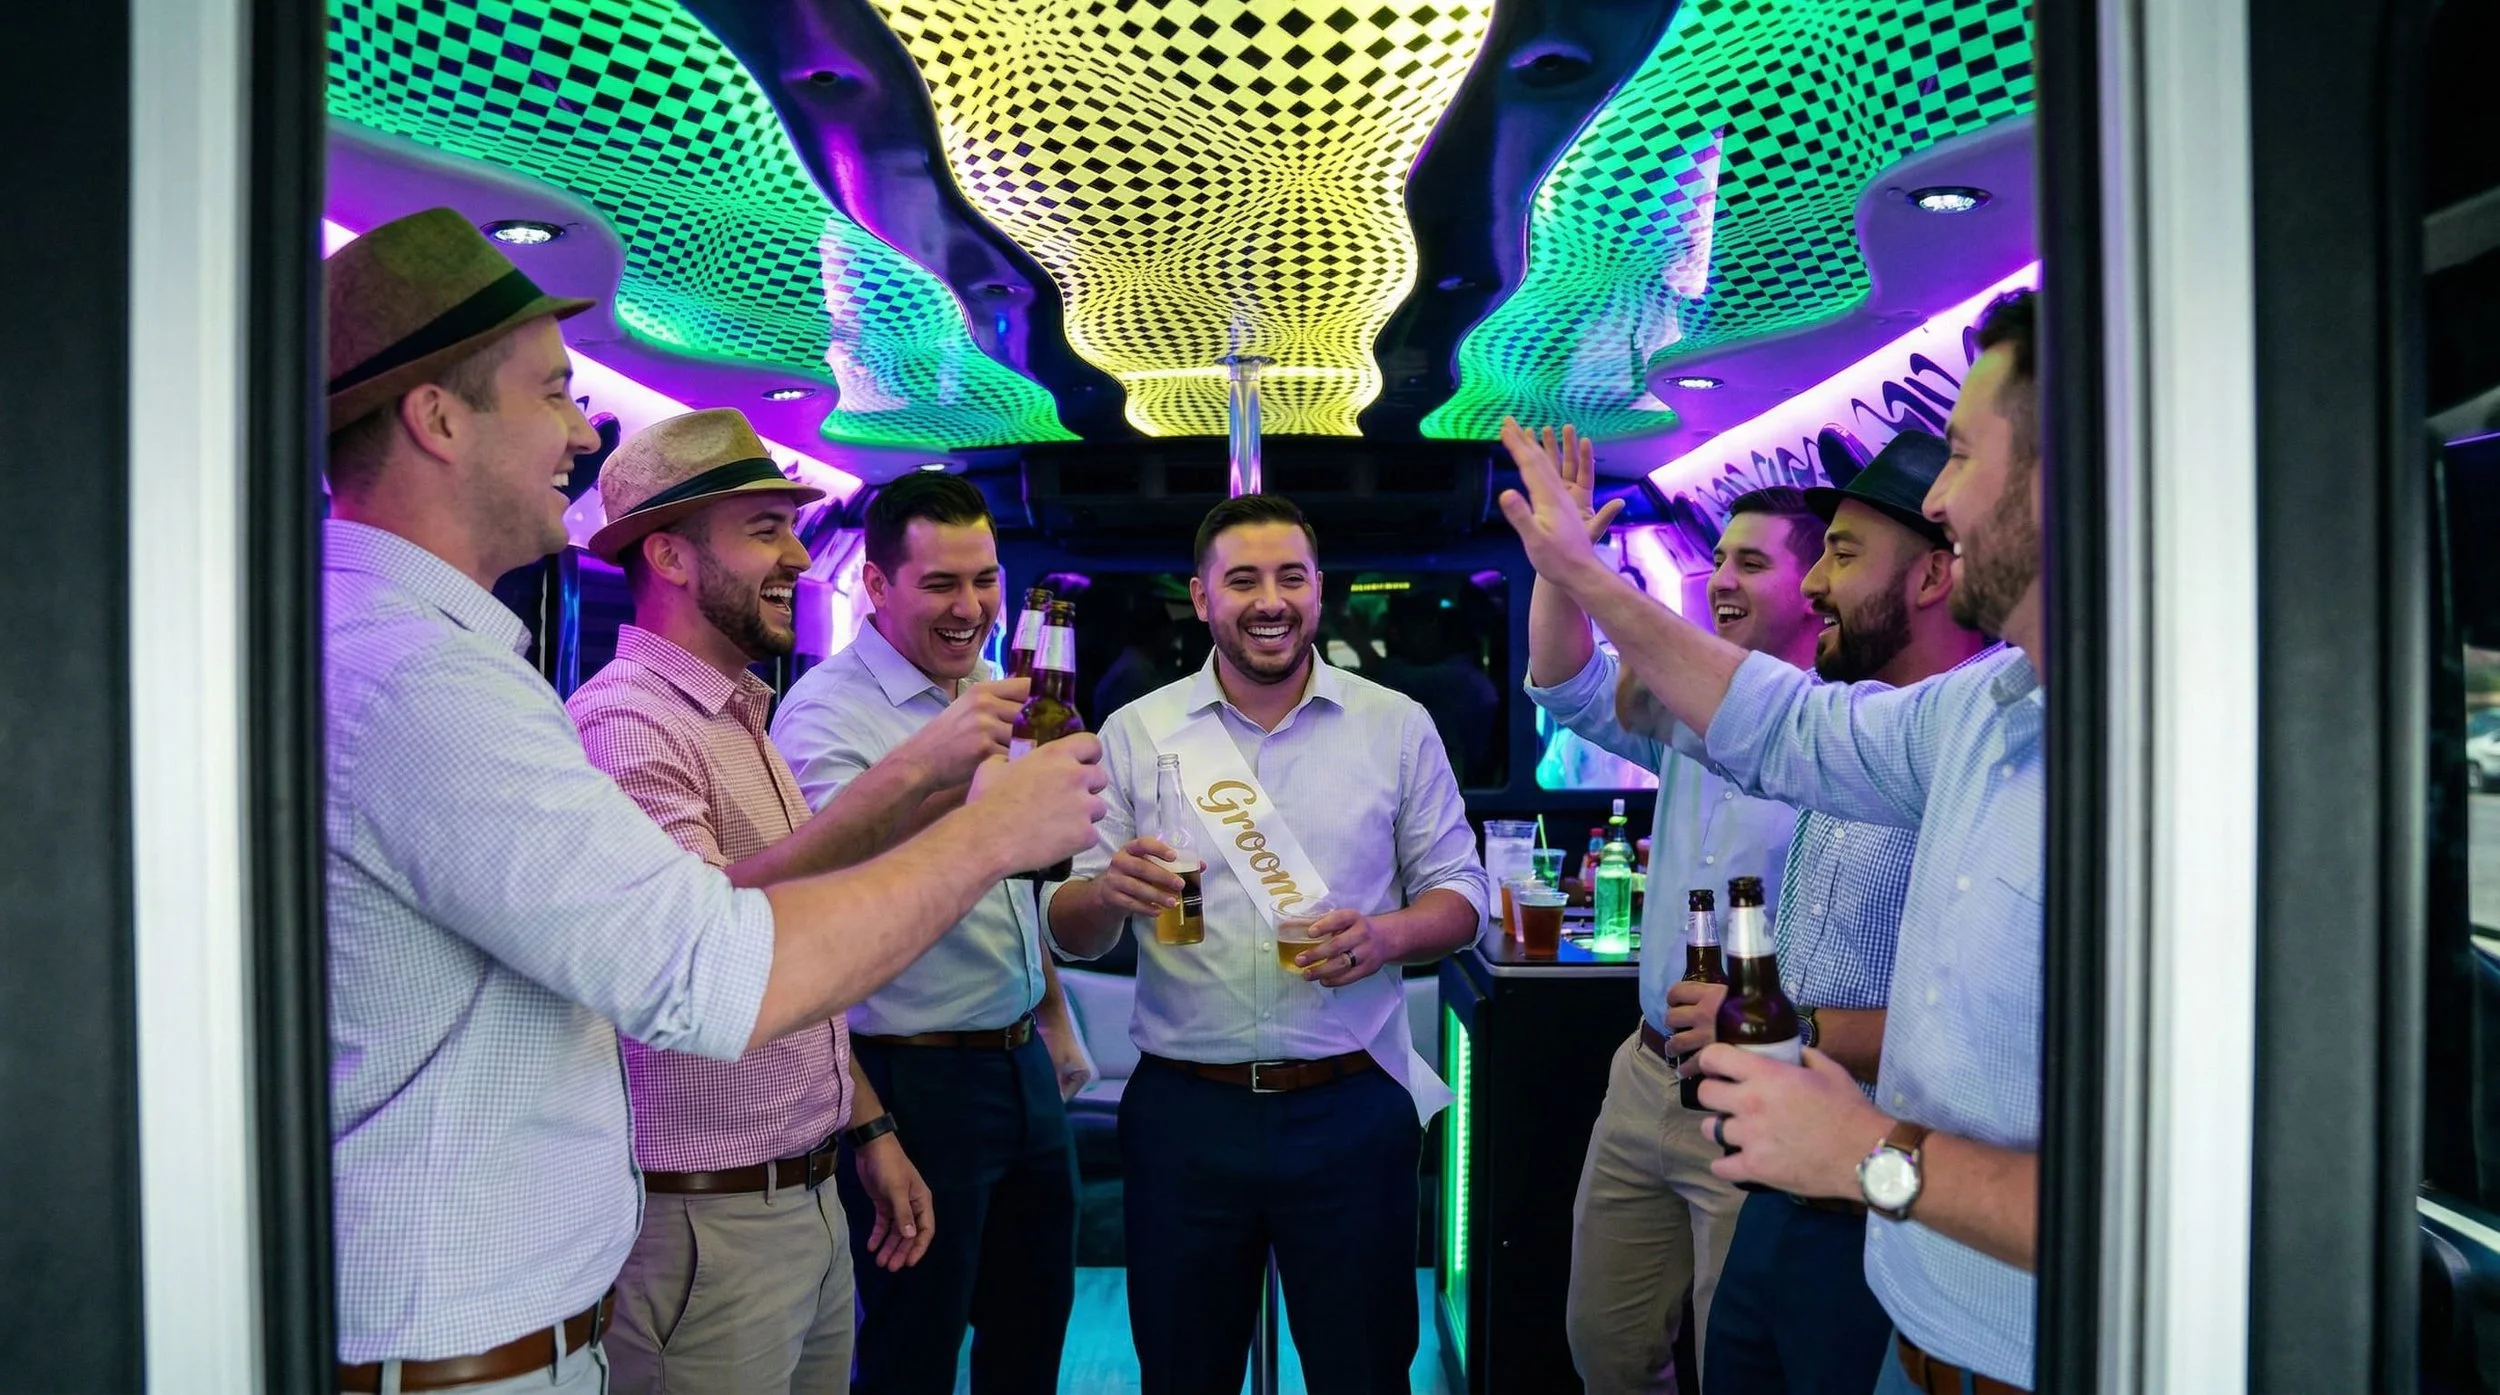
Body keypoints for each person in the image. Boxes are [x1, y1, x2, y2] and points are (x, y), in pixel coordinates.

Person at [320, 208, 1107, 1394]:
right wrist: (988, 828)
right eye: (550, 394)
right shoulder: (433, 679)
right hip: (499, 1324)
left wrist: (860, 1120)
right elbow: (701, 964)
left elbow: (706, 918)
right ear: (436, 418)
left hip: (678, 1246)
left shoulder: (490, 669)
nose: (581, 432)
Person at [1500, 288, 2049, 1394]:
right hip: (1906, 1304)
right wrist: (1584, 578)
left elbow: (2185, 1202)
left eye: (1957, 456)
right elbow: (1784, 725)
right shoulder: (1986, 709)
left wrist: (1863, 1150)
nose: (1942, 498)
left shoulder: (2173, 762)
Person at [570, 408, 1021, 1390]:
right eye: (765, 530)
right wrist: (927, 779)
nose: (797, 559)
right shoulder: (624, 722)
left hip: (801, 1189)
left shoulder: (742, 718)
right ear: (673, 559)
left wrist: (864, 1129)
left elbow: (794, 944)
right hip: (705, 1217)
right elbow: (698, 938)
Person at [1046, 495, 1489, 1395]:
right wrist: (1103, 893)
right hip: (1183, 1112)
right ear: (1202, 597)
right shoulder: (1136, 729)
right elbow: (1069, 927)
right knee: (1181, 1370)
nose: (1269, 599)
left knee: (1362, 1372)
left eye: (1290, 576)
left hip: (1350, 1105)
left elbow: (1465, 898)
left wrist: (1384, 935)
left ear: (1319, 592)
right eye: (1242, 579)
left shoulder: (1395, 724)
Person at [1653, 430, 1992, 1395]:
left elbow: (1980, 1024)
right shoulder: (1849, 744)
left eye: (1841, 555)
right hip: (1780, 1184)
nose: (1812, 590)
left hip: (1882, 1202)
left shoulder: (1973, 769)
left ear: (1932, 576)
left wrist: (1788, 1028)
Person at [769, 473, 1095, 1395]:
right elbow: (818, 898)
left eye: (986, 580)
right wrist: (870, 1123)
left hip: (1019, 1057)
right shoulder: (829, 713)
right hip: (908, 1075)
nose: (972, 607)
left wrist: (1053, 1012)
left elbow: (1012, 877)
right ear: (876, 586)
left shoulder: (1001, 689)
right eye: (942, 584)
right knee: (911, 1352)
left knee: (1031, 1341)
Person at [1518, 428, 1822, 1395]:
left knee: (1737, 1359)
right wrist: (1562, 564)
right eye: (1717, 557)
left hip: (1769, 1092)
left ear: (1815, 588)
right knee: (1604, 1347)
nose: (1721, 578)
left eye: (1750, 561)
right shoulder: (1690, 713)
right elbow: (1565, 685)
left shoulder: (1855, 742)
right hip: (1645, 1073)